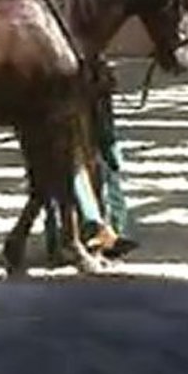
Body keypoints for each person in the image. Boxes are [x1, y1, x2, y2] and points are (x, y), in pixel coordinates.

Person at [42, 55, 137, 263]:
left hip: (86, 97)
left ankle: (108, 228)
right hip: (61, 97)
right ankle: (90, 230)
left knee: (101, 160)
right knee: (71, 165)